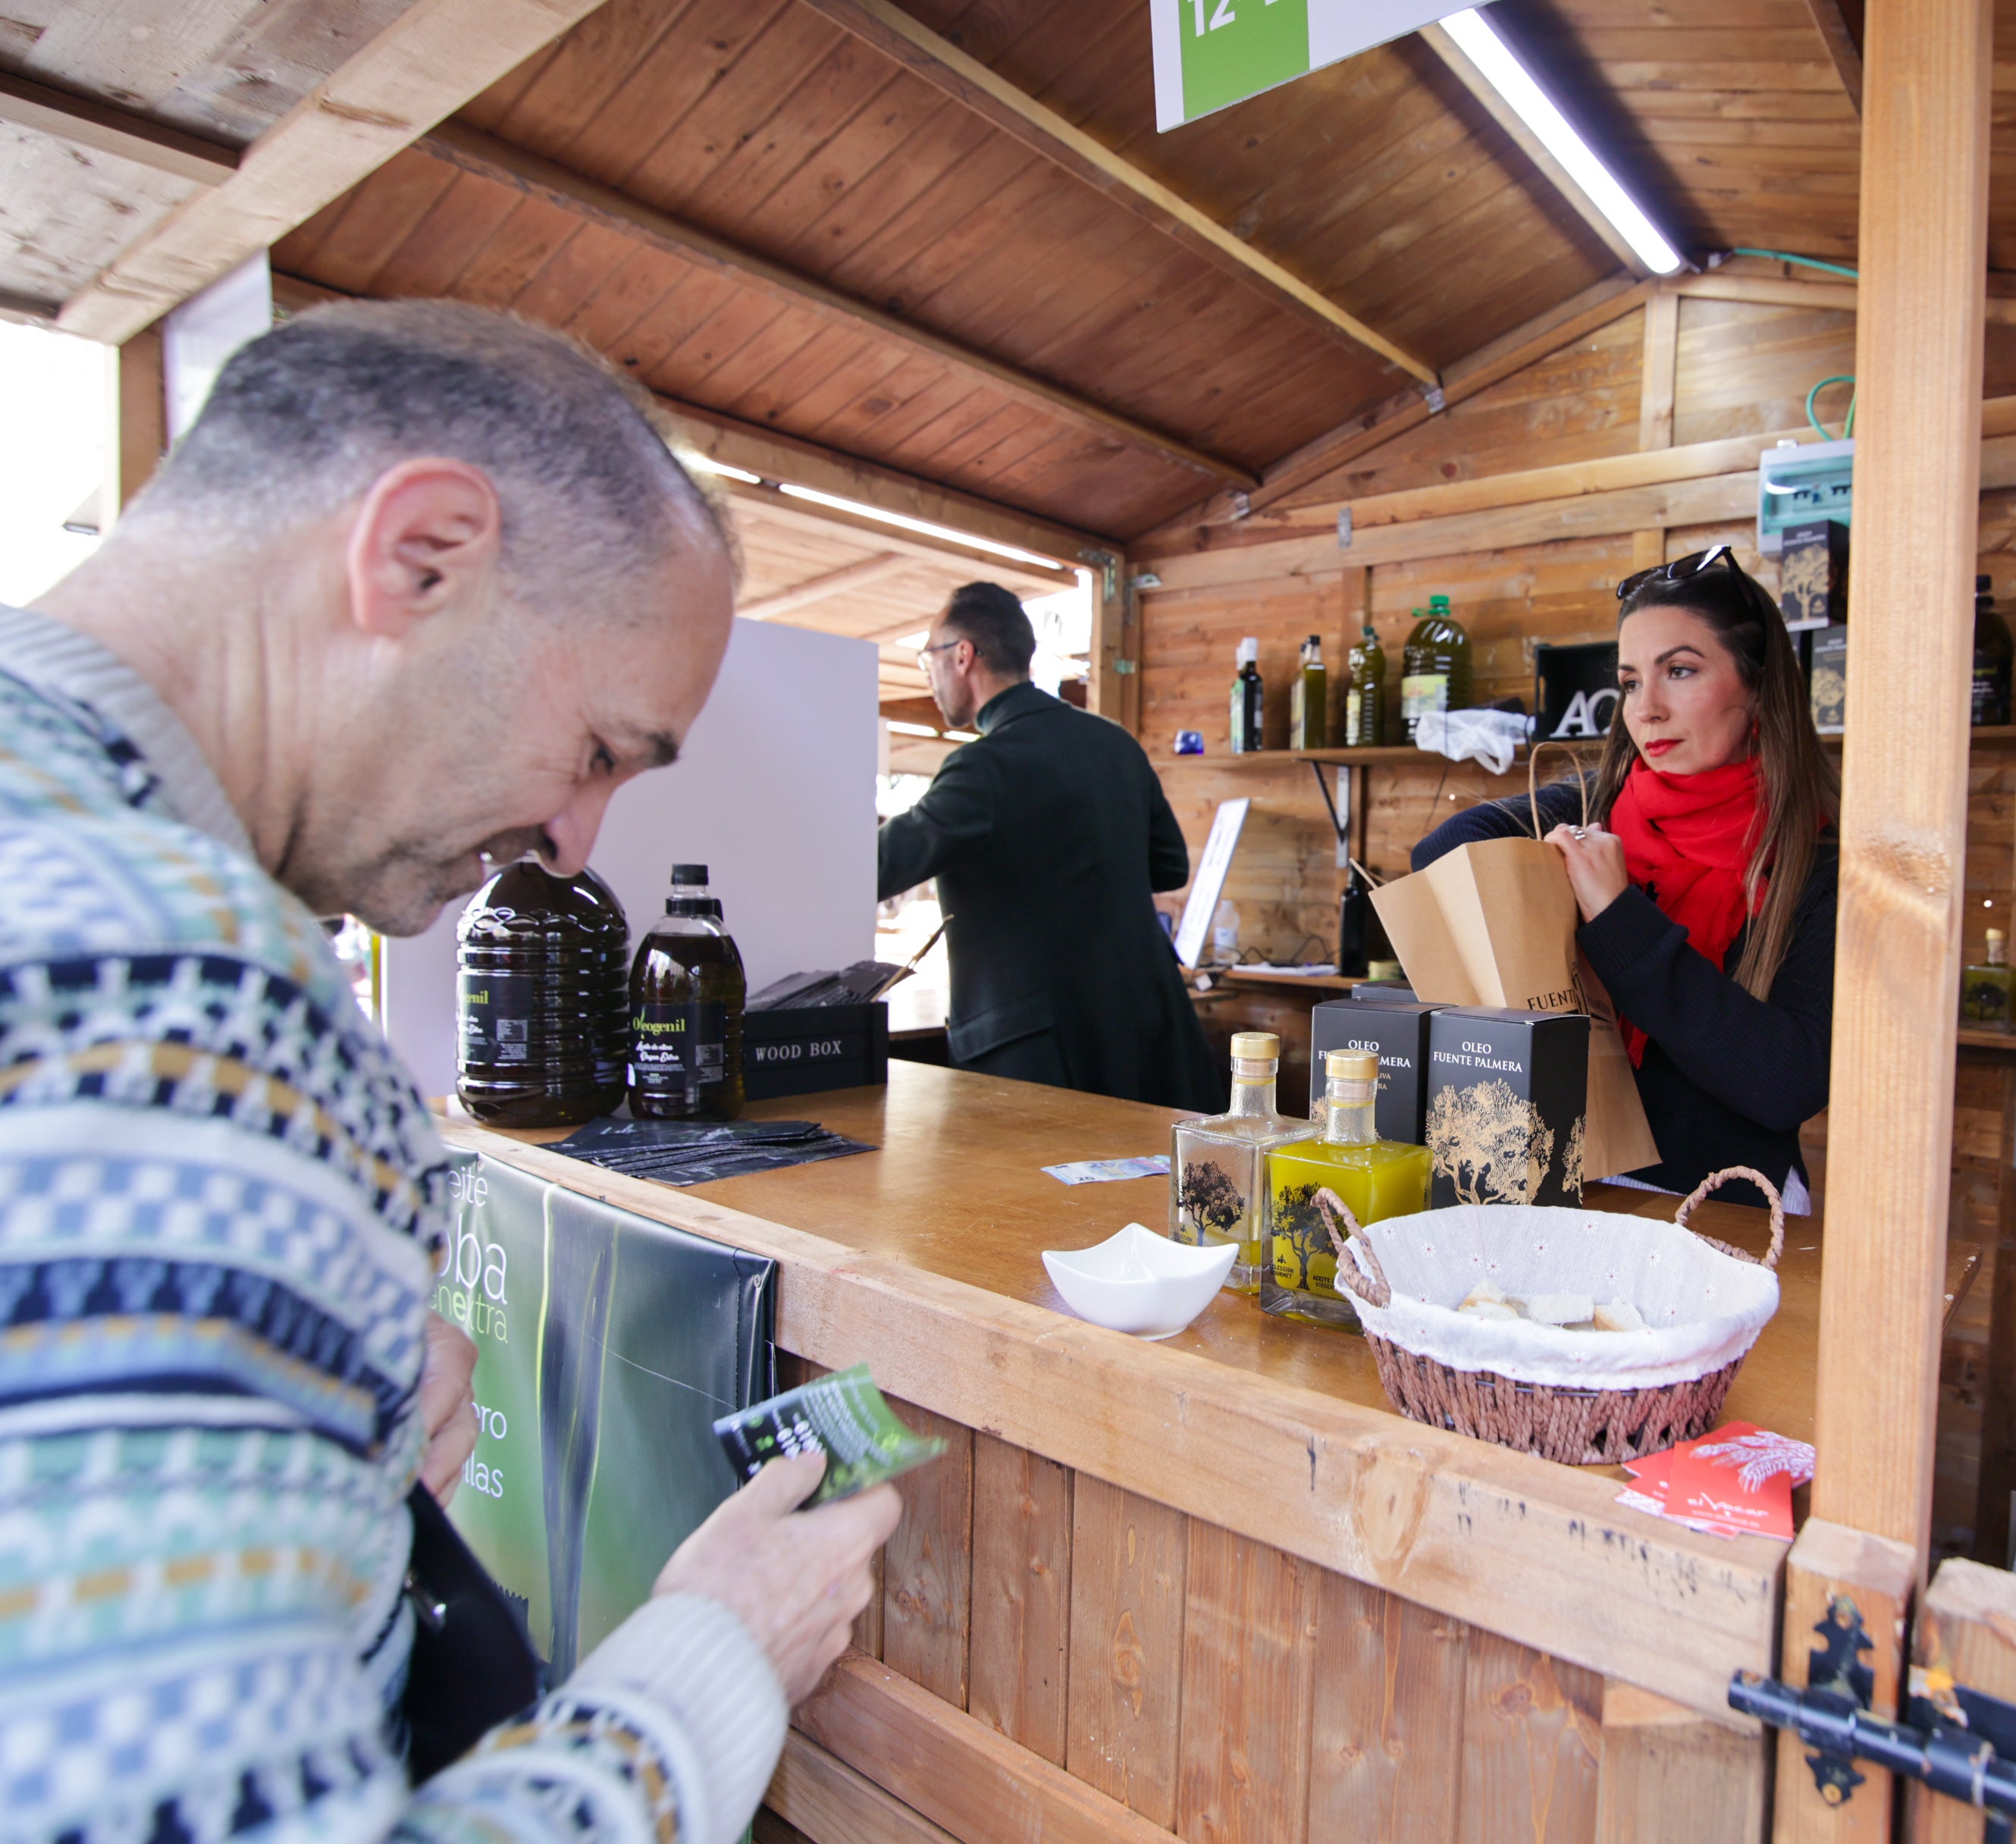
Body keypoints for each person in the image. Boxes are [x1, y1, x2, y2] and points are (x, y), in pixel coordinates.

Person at [0, 300, 900, 1844]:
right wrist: (705, 1676)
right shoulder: (186, 990)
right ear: (421, 554)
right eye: (604, 751)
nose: (574, 841)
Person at [1411, 548, 1839, 1211]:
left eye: (1681, 671)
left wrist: (1616, 916)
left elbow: (1787, 1082)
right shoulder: (1600, 805)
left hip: (1730, 1208)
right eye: (1632, 681)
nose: (1648, 709)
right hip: (1570, 1186)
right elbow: (1444, 851)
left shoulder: (1818, 862)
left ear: (1756, 686)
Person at [878, 583, 1222, 1112]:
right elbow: (1169, 865)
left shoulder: (982, 767)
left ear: (963, 654)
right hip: (1147, 1036)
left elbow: (880, 867)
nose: (930, 673)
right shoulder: (1116, 746)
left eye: (930, 656)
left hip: (1037, 1060)